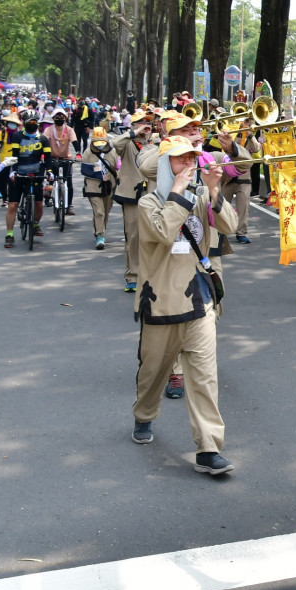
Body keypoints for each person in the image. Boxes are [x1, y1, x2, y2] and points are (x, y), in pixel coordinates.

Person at [130, 135, 237, 475]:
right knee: (153, 373)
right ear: (165, 165)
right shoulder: (148, 203)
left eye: (193, 157)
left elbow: (230, 226)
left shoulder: (202, 194)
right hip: (160, 302)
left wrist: (214, 191)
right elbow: (163, 231)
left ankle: (208, 448)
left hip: (198, 299)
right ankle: (144, 415)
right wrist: (180, 192)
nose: (189, 164)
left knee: (204, 377)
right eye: (180, 159)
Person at [111, 111, 156, 291]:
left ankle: (153, 274)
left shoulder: (156, 144)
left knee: (155, 235)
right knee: (134, 236)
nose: (146, 125)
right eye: (141, 122)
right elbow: (115, 143)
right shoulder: (128, 144)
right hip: (132, 196)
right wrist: (135, 133)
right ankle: (133, 276)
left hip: (153, 195)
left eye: (148, 122)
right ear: (133, 125)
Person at [2, 113, 52, 247]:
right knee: (13, 205)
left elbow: (47, 158)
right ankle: (9, 234)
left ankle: (35, 224)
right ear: (24, 123)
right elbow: (15, 156)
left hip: (36, 174)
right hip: (19, 173)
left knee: (39, 204)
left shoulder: (43, 139)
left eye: (35, 122)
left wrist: (50, 172)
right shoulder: (17, 136)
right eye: (30, 122)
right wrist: (13, 171)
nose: (32, 124)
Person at [204, 124, 255, 244]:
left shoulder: (248, 135)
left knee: (243, 207)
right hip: (227, 176)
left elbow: (257, 149)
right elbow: (212, 147)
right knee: (220, 204)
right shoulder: (228, 131)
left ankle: (241, 233)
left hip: (243, 177)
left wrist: (250, 135)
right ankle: (219, 230)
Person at [82, 127, 118, 250]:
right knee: (99, 211)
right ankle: (100, 235)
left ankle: (99, 229)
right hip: (93, 186)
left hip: (109, 187)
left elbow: (117, 168)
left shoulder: (113, 153)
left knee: (105, 211)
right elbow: (85, 169)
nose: (100, 146)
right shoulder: (88, 153)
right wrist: (98, 174)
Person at [43, 108, 77, 216]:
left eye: (62, 117)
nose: (59, 119)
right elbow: (44, 140)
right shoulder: (49, 129)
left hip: (66, 158)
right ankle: (48, 195)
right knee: (51, 178)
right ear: (53, 118)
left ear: (65, 118)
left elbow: (75, 142)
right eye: (57, 117)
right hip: (52, 157)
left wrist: (79, 152)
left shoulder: (69, 130)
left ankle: (70, 205)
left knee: (69, 183)